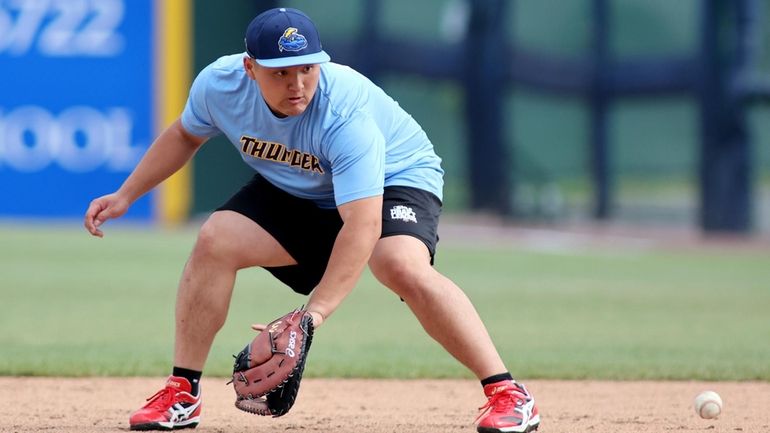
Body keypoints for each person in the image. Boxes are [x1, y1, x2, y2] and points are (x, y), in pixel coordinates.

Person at [84, 7, 540, 433]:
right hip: (299, 184)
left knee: (398, 263)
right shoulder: (219, 86)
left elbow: (361, 224)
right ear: (249, 69)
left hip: (396, 177)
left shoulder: (344, 116)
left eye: (307, 67)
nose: (298, 82)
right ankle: (182, 393)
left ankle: (508, 393)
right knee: (214, 239)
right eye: (281, 72)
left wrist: (311, 317)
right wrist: (127, 195)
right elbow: (185, 134)